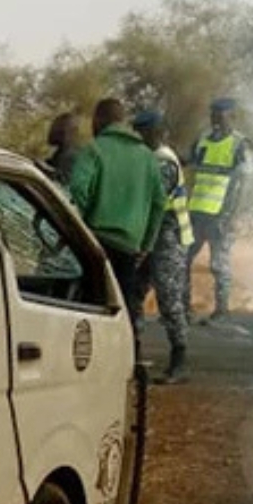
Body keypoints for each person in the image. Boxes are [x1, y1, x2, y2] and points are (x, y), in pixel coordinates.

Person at [67, 98, 165, 353]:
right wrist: (146, 244)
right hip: (130, 246)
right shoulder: (147, 157)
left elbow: (78, 190)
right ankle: (128, 357)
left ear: (99, 120)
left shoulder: (94, 150)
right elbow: (158, 204)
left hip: (94, 242)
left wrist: (77, 228)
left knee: (89, 308)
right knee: (123, 305)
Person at [132, 108, 194, 385]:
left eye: (147, 131)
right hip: (148, 237)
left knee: (169, 299)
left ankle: (179, 360)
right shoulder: (148, 158)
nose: (143, 136)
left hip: (169, 236)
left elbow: (154, 204)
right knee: (134, 295)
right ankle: (134, 356)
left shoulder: (162, 162)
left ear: (157, 132)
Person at [186, 96, 250, 323]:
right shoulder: (202, 140)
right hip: (196, 212)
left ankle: (221, 310)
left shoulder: (238, 144)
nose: (215, 120)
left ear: (231, 116)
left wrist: (231, 215)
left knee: (218, 264)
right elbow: (190, 169)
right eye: (213, 114)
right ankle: (184, 308)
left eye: (220, 115)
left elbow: (242, 184)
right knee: (183, 259)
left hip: (220, 214)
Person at [45, 112, 82, 185]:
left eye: (60, 129)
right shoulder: (62, 153)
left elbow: (59, 185)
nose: (53, 131)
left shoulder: (70, 157)